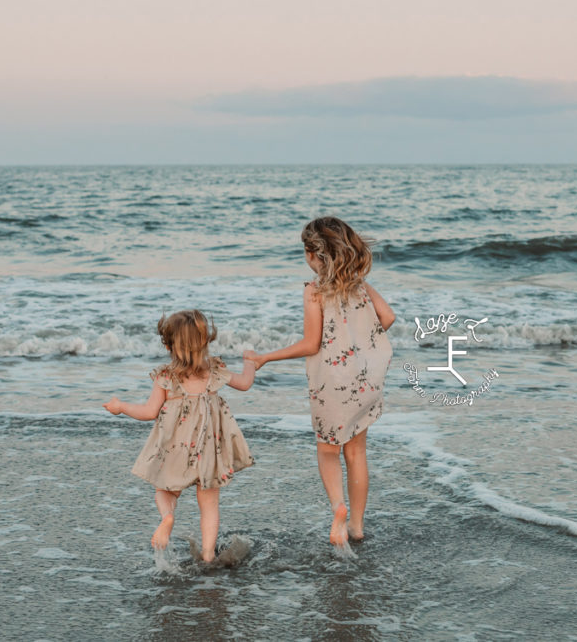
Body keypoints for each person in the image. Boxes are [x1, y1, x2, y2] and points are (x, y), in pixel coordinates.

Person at [245, 217, 394, 546]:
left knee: (328, 452)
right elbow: (388, 317)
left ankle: (338, 509)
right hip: (364, 378)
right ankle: (356, 526)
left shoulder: (314, 291)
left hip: (331, 381)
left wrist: (266, 357)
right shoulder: (361, 285)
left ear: (315, 255)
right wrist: (362, 344)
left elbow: (311, 344)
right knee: (356, 452)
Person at [103, 309, 256, 562]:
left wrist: (121, 407)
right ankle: (208, 554)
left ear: (168, 345)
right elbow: (245, 383)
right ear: (205, 341)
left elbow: (149, 412)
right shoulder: (213, 371)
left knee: (165, 491)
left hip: (175, 447)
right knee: (209, 504)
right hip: (209, 449)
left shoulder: (166, 376)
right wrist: (250, 361)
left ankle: (167, 518)